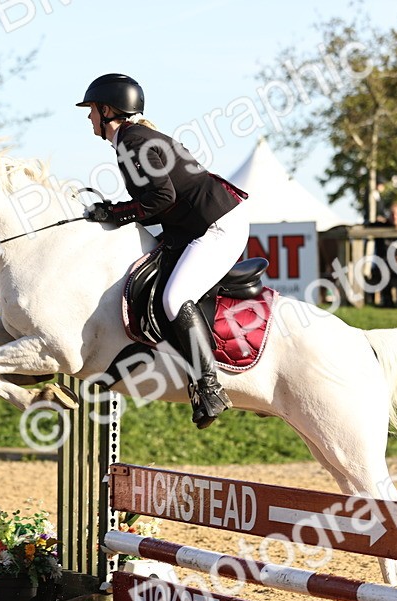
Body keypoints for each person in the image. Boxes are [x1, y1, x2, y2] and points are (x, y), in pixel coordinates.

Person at [78, 73, 250, 429]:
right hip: (194, 226)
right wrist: (116, 211)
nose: (88, 117)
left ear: (107, 110)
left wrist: (114, 213)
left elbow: (161, 198)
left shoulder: (132, 141)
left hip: (217, 225)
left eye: (91, 110)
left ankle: (209, 388)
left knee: (174, 298)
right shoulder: (132, 138)